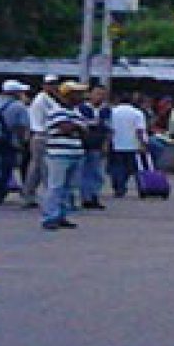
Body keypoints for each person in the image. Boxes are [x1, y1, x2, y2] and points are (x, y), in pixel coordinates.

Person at [40, 81, 89, 230]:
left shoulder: (76, 112)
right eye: (78, 93)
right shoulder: (56, 110)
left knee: (68, 187)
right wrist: (78, 126)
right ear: (68, 94)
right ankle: (50, 217)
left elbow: (84, 130)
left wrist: (76, 126)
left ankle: (61, 215)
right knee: (56, 186)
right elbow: (65, 127)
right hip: (58, 154)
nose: (82, 96)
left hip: (74, 152)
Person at [0, 80, 31, 205]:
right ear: (15, 92)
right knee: (6, 167)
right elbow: (22, 126)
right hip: (9, 139)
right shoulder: (19, 106)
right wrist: (22, 142)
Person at [23, 75, 61, 209]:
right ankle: (42, 197)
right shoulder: (42, 99)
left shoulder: (51, 99)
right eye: (50, 84)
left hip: (47, 135)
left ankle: (31, 195)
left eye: (55, 84)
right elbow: (54, 116)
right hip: (41, 135)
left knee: (38, 168)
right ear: (44, 85)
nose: (53, 86)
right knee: (42, 168)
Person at [77, 86, 112, 210]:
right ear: (90, 94)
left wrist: (106, 143)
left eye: (102, 94)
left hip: (97, 145)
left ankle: (94, 195)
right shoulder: (82, 108)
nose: (100, 97)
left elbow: (108, 128)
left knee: (97, 172)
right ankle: (85, 197)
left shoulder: (106, 110)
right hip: (84, 144)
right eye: (97, 94)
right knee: (83, 172)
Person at [108, 95, 148, 198]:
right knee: (128, 169)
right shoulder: (137, 113)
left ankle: (117, 185)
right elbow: (140, 130)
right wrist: (143, 143)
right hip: (131, 144)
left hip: (115, 144)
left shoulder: (112, 112)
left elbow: (109, 129)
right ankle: (121, 185)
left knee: (116, 166)